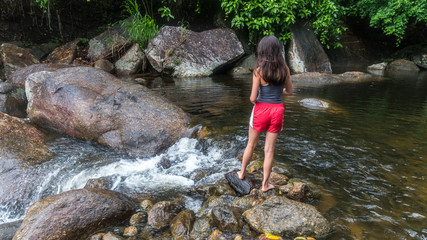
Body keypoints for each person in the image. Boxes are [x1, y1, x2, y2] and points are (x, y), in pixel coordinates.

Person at [237, 35, 293, 192]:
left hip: (261, 109)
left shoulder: (259, 71)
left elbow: (253, 98)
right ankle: (265, 184)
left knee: (251, 144)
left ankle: (241, 173)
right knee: (269, 150)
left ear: (262, 51)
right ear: (277, 51)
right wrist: (277, 92)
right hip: (277, 110)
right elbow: (289, 91)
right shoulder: (285, 69)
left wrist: (259, 99)